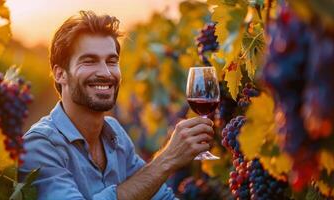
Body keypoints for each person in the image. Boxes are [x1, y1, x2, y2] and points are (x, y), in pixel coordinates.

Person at [18, 10, 214, 200]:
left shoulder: (115, 134)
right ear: (60, 74)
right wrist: (167, 160)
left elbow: (159, 196)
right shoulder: (39, 146)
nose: (105, 72)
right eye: (89, 61)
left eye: (112, 61)